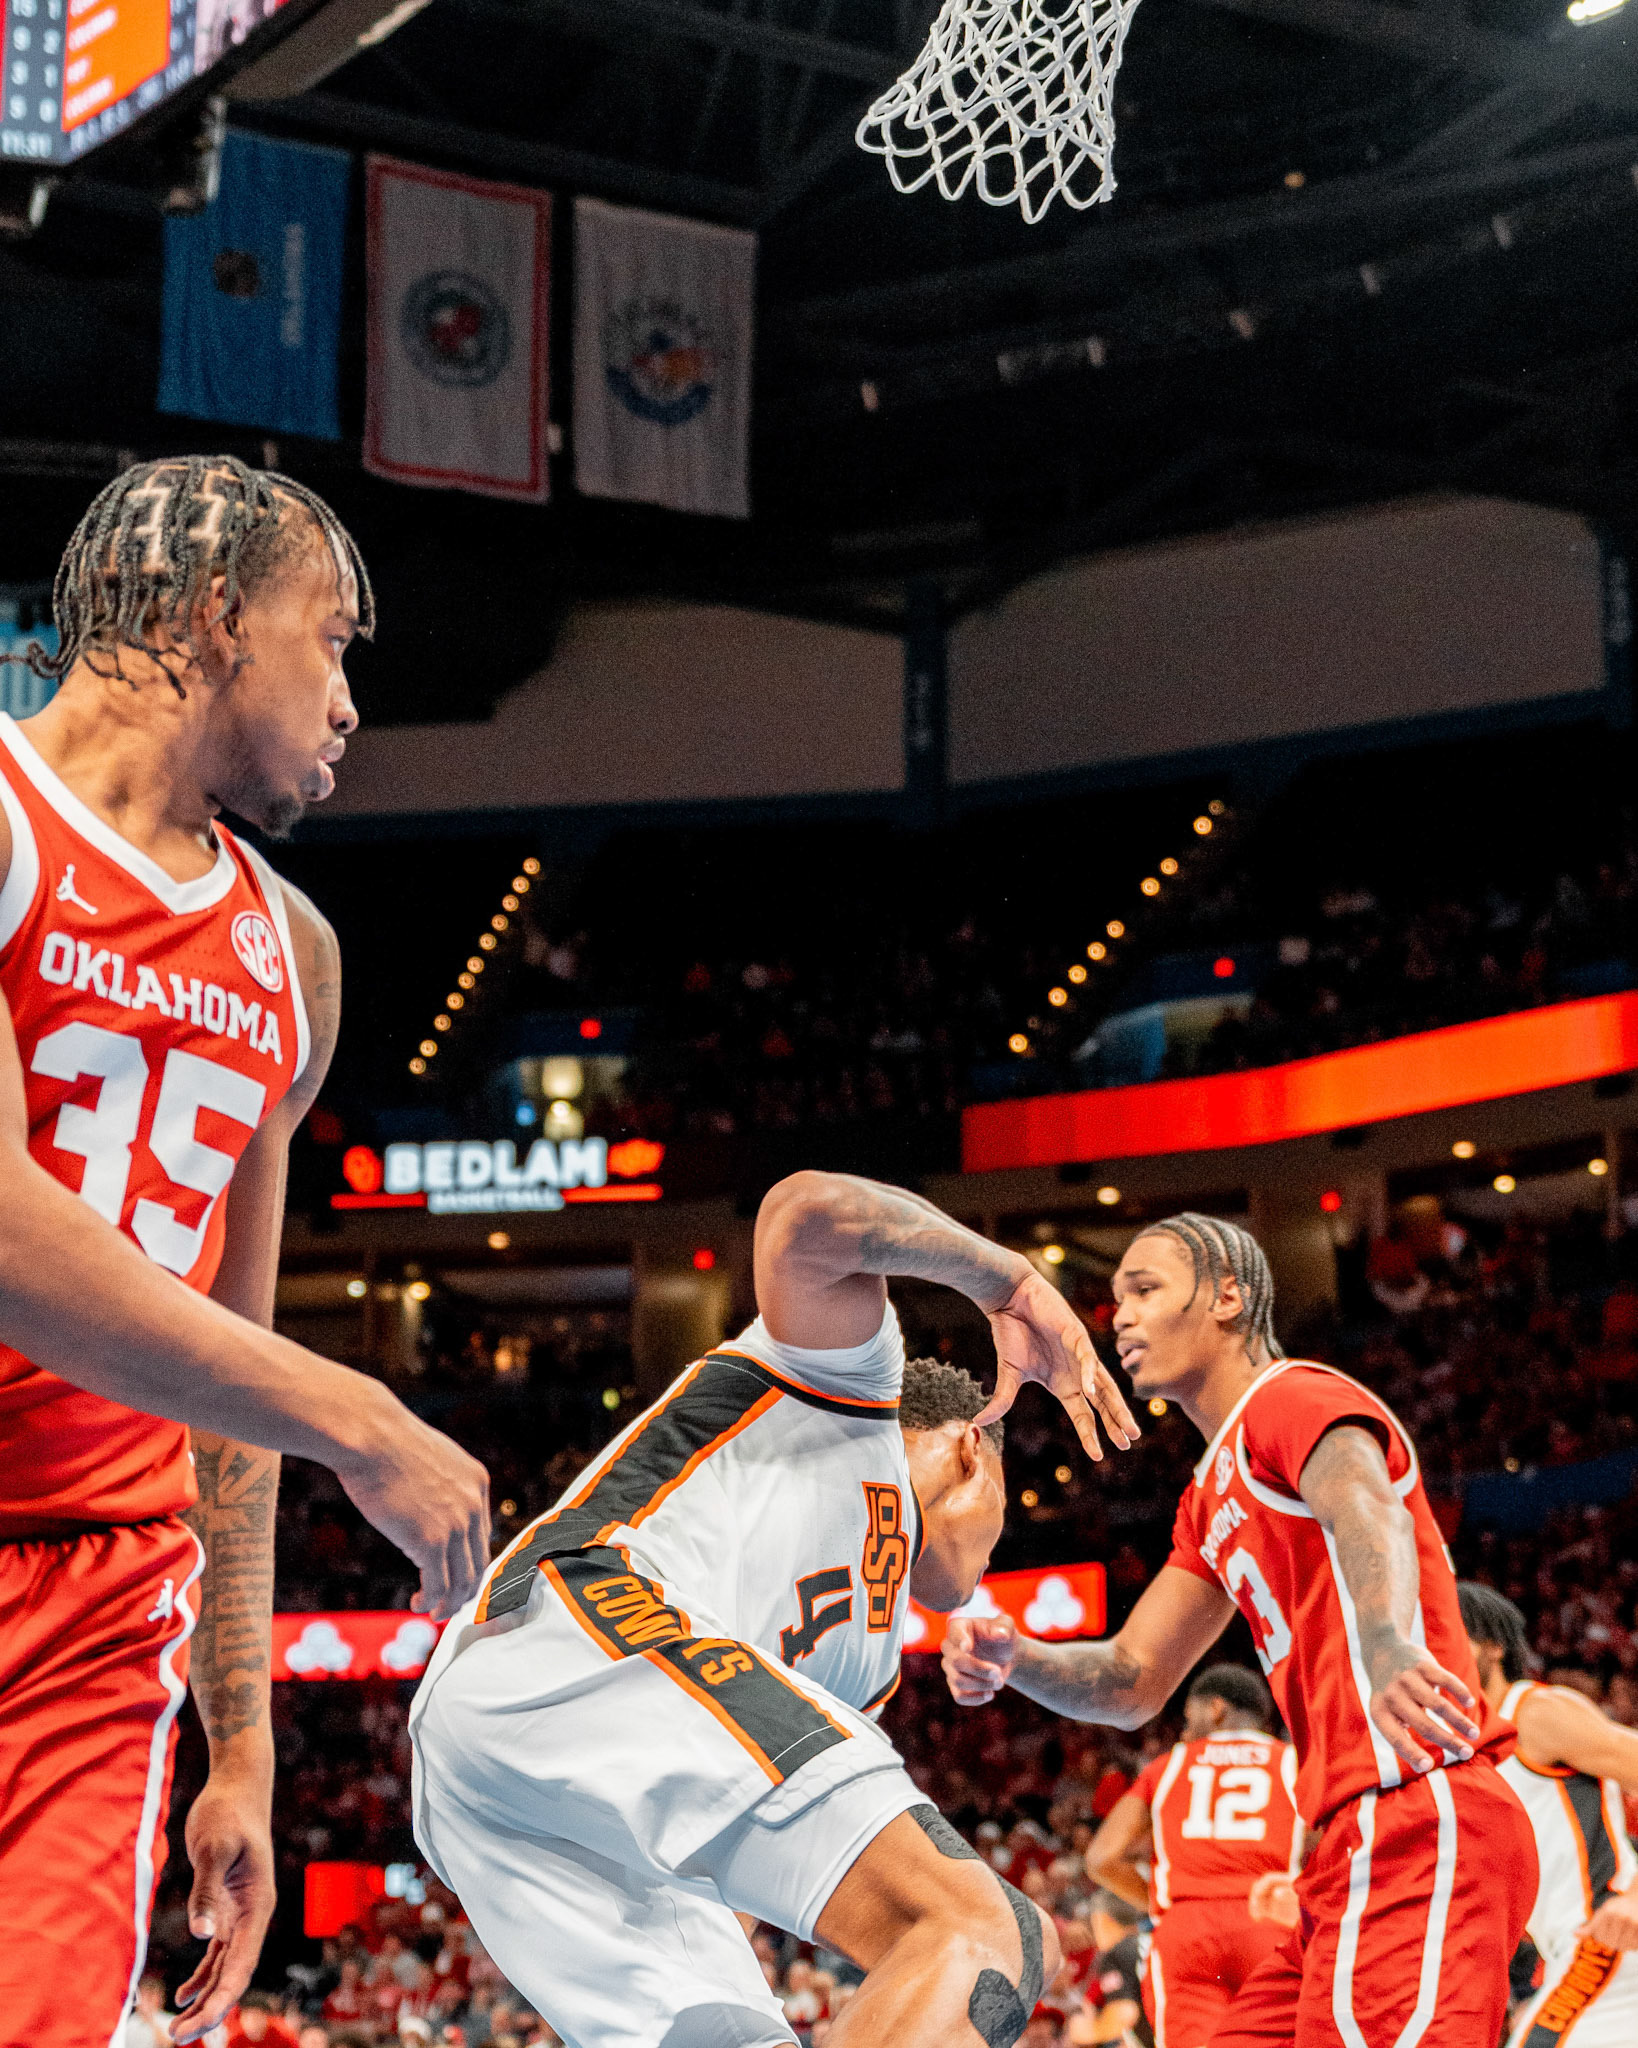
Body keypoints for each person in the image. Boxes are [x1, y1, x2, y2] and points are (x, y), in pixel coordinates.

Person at [0, 457, 491, 2048]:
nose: (351, 698)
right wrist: (363, 1414)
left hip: (100, 1591)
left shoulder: (296, 957)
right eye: (333, 640)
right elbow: (8, 1236)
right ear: (216, 618)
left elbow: (229, 1396)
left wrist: (247, 1751)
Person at [411, 1168, 1140, 2048]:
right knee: (987, 1929)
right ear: (969, 1452)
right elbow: (803, 1214)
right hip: (582, 1630)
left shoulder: (864, 1672)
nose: (995, 1552)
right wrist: (1008, 1281)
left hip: (496, 1772)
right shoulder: (854, 1385)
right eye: (1006, 1509)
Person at [942, 1212, 1535, 2048]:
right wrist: (1016, 1659)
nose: (1122, 1316)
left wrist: (1387, 1636)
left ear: (1227, 1297)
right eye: (1115, 1298)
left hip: (1416, 1807)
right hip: (1341, 1849)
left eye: (1146, 1289)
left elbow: (1366, 1503)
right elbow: (1132, 1677)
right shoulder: (1209, 1491)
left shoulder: (1290, 1397)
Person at [1084, 1664, 1301, 2048]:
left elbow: (1101, 1858)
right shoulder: (1292, 1762)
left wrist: (1159, 1905)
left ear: (1216, 1708)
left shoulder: (1168, 1766)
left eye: (1188, 1718)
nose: (1184, 1731)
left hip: (1188, 1930)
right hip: (1272, 1921)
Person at [1460, 1581, 1638, 2046]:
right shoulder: (1461, 1748)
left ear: (1494, 1646)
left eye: (1449, 1633)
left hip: (1611, 1935)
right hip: (1564, 1950)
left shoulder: (1536, 1711)